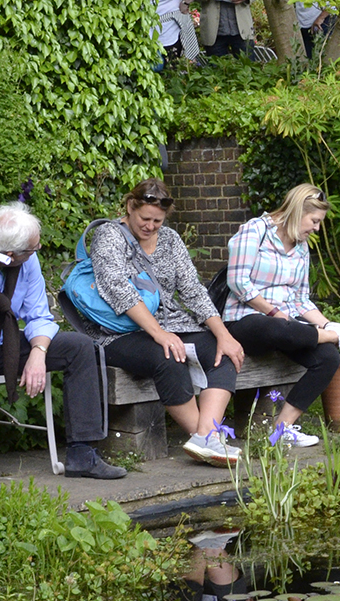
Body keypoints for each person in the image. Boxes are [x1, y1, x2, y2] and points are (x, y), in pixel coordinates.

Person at [0, 203, 126, 498]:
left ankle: (83, 454)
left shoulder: (25, 261)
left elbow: (40, 316)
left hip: (0, 344)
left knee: (79, 346)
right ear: (9, 255)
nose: (38, 250)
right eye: (32, 249)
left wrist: (37, 352)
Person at [77, 179, 247, 465]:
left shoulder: (169, 239)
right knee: (169, 355)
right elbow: (118, 289)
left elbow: (192, 290)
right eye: (145, 218)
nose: (151, 226)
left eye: (157, 220)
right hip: (120, 330)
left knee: (222, 353)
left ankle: (207, 437)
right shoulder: (109, 235)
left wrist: (223, 334)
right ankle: (207, 441)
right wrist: (158, 333)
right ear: (130, 207)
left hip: (174, 325)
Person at [222, 184, 340, 447]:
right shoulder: (255, 231)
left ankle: (280, 430)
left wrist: (324, 322)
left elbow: (300, 299)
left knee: (328, 357)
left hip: (286, 325)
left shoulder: (301, 246)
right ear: (297, 211)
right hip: (244, 319)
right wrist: (276, 313)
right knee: (278, 326)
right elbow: (238, 282)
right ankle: (335, 335)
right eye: (315, 221)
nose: (317, 228)